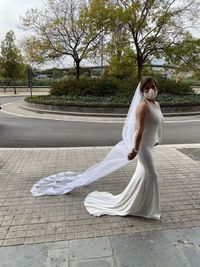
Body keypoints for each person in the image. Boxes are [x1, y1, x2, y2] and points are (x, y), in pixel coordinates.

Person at [31, 77, 164, 220]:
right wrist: (135, 150)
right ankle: (144, 207)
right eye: (147, 88)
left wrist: (158, 139)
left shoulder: (156, 104)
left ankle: (140, 204)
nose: (151, 90)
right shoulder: (142, 106)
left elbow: (158, 124)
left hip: (150, 146)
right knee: (152, 174)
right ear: (142, 91)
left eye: (153, 87)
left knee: (142, 174)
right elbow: (139, 130)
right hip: (142, 147)